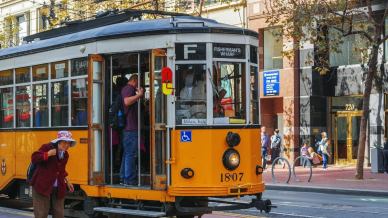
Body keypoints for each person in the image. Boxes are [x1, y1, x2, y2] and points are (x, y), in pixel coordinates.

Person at [30, 130, 76, 218]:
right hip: (42, 186)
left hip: (58, 187)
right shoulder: (47, 147)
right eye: (64, 142)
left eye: (69, 143)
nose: (67, 145)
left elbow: (61, 170)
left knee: (59, 214)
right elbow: (34, 158)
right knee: (41, 214)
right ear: (58, 142)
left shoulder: (65, 154)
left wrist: (68, 181)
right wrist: (47, 154)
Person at [120, 74, 144, 186]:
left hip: (129, 128)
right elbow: (126, 102)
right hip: (130, 128)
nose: (139, 85)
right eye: (139, 82)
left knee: (127, 153)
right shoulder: (128, 89)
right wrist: (139, 95)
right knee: (130, 153)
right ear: (134, 80)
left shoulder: (127, 89)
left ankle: (123, 177)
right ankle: (129, 179)